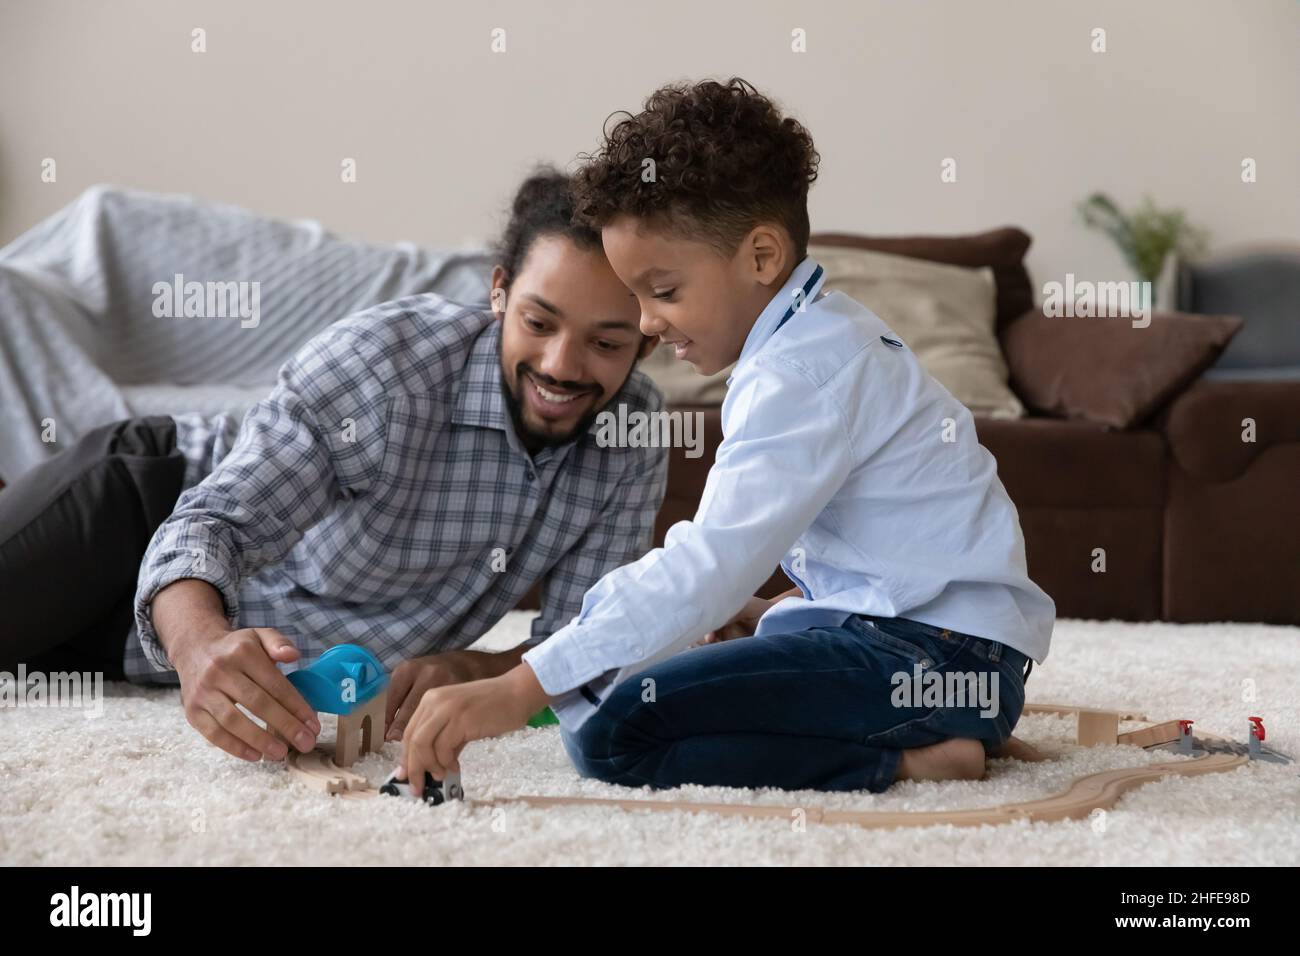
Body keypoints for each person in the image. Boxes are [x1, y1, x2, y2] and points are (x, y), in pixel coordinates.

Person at [397, 78, 1055, 795]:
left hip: (937, 666)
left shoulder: (798, 372)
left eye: (664, 291)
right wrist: (780, 612)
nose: (647, 322)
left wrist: (522, 685)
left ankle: (913, 758)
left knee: (612, 731)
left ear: (762, 258)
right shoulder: (829, 335)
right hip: (962, 662)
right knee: (672, 659)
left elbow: (709, 564)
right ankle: (934, 724)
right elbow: (898, 555)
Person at [0, 170, 668, 764]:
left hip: (129, 657)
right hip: (135, 522)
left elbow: (582, 646)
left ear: (646, 333)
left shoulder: (633, 438)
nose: (561, 367)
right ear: (498, 292)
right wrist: (199, 646)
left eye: (607, 342)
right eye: (539, 323)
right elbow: (212, 524)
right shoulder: (384, 364)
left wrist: (472, 666)